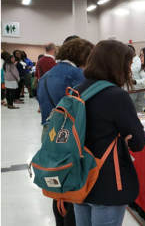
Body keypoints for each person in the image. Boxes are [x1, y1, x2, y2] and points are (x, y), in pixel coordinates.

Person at [72, 40, 145, 226]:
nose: (129, 70)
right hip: (107, 182)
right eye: (128, 64)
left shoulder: (77, 90)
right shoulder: (117, 96)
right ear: (117, 64)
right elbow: (138, 141)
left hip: (79, 178)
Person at [36, 38, 94, 226]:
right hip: (70, 135)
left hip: (49, 133)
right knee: (73, 187)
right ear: (84, 57)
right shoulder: (78, 75)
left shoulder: (46, 75)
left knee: (56, 183)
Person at [127, 45, 145, 112]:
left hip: (138, 94)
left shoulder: (139, 62)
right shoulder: (127, 62)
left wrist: (134, 81)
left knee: (138, 115)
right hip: (128, 93)